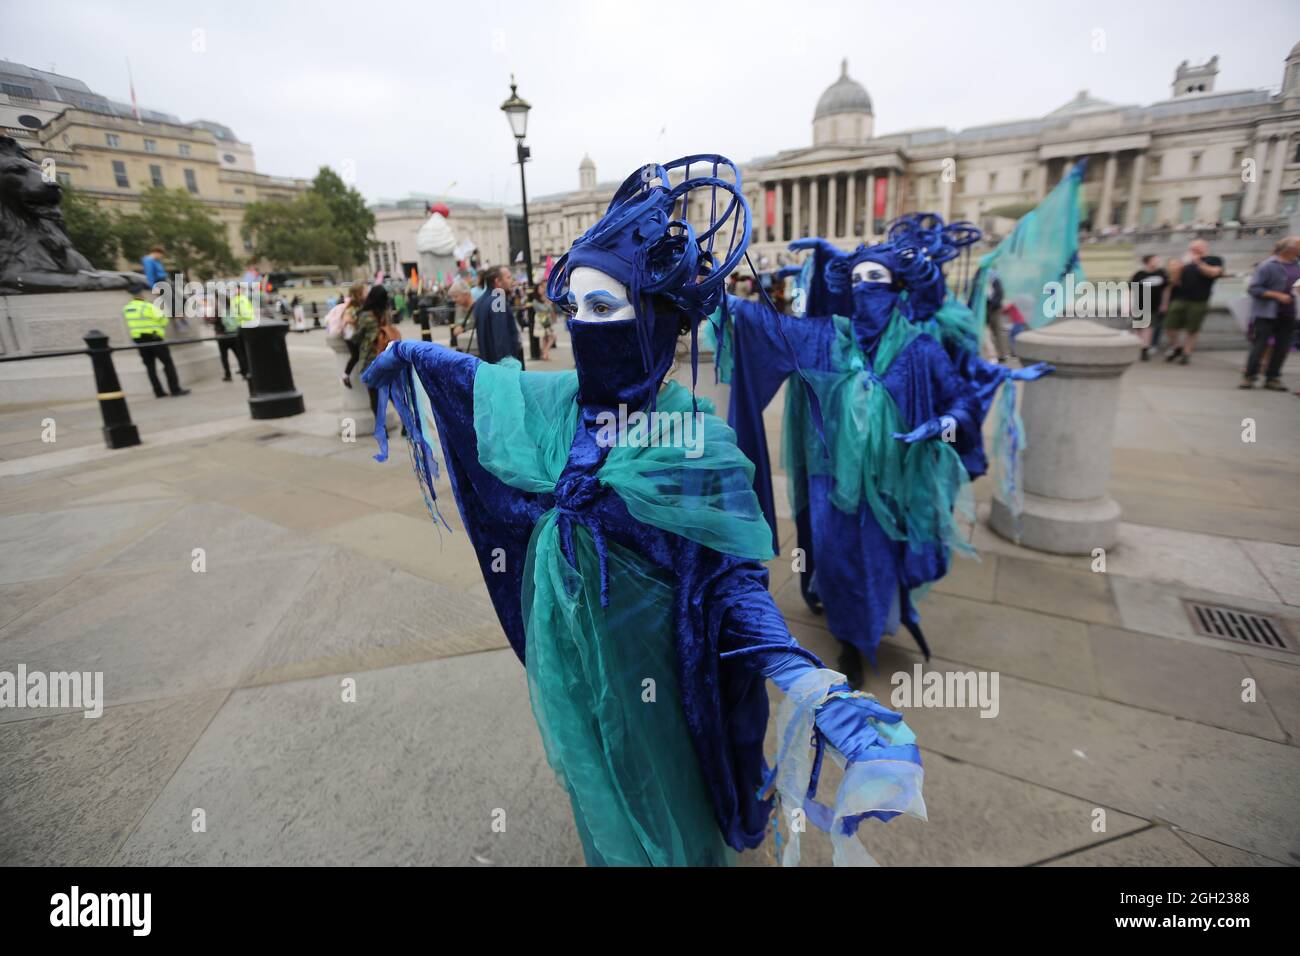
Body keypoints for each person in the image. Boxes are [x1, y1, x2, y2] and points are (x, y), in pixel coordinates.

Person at [362, 155, 925, 867]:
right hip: (574, 665)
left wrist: (810, 682)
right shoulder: (559, 407)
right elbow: (480, 381)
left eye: (606, 309)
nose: (584, 329)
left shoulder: (691, 440)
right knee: (601, 797)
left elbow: (732, 585)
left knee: (669, 808)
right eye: (576, 311)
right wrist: (410, 354)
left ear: (653, 320)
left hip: (660, 679)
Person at [1241, 236, 1300, 390]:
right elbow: (1254, 288)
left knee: (1282, 347)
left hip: (1289, 313)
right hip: (1266, 312)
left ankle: (1272, 377)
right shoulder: (1267, 265)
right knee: (1259, 345)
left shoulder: (1298, 266)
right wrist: (1277, 295)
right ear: (1291, 249)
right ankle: (1249, 376)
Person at [1162, 238, 1224, 365]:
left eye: (1195, 248)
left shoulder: (1213, 260)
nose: (1192, 251)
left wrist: (1198, 262)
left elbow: (1214, 273)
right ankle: (1177, 347)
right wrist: (1176, 268)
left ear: (1203, 247)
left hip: (1199, 300)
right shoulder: (1186, 261)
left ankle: (1186, 353)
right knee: (1169, 326)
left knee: (1192, 329)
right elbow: (1174, 281)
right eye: (1191, 248)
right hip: (1180, 298)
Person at [123, 282, 189, 397]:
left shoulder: (127, 308)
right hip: (154, 338)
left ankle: (158, 392)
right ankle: (175, 389)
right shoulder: (148, 306)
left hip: (139, 340)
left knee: (150, 366)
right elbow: (163, 320)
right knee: (167, 363)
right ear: (141, 294)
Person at [354, 285, 401, 417]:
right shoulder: (385, 314)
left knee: (374, 395)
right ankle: (406, 424)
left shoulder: (365, 316)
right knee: (392, 393)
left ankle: (381, 428)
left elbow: (356, 337)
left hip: (370, 359)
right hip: (386, 357)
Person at [470, 264, 522, 365]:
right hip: (502, 366)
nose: (512, 280)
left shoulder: (480, 301)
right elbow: (501, 339)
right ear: (497, 281)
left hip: (488, 364)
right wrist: (508, 366)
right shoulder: (498, 301)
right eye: (508, 277)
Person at [1132, 253, 1170, 360]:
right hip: (1140, 304)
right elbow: (1131, 289)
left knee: (1149, 327)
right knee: (1138, 327)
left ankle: (1145, 348)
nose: (1157, 261)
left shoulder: (1161, 273)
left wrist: (1164, 303)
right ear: (1148, 262)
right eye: (1155, 260)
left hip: (1154, 305)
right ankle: (1137, 347)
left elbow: (1166, 290)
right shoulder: (1139, 274)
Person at [217, 285, 255, 381]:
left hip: (229, 332)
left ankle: (234, 373)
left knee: (232, 355)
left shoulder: (237, 300)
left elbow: (245, 315)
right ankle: (245, 371)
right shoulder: (235, 301)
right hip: (236, 331)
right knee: (240, 354)